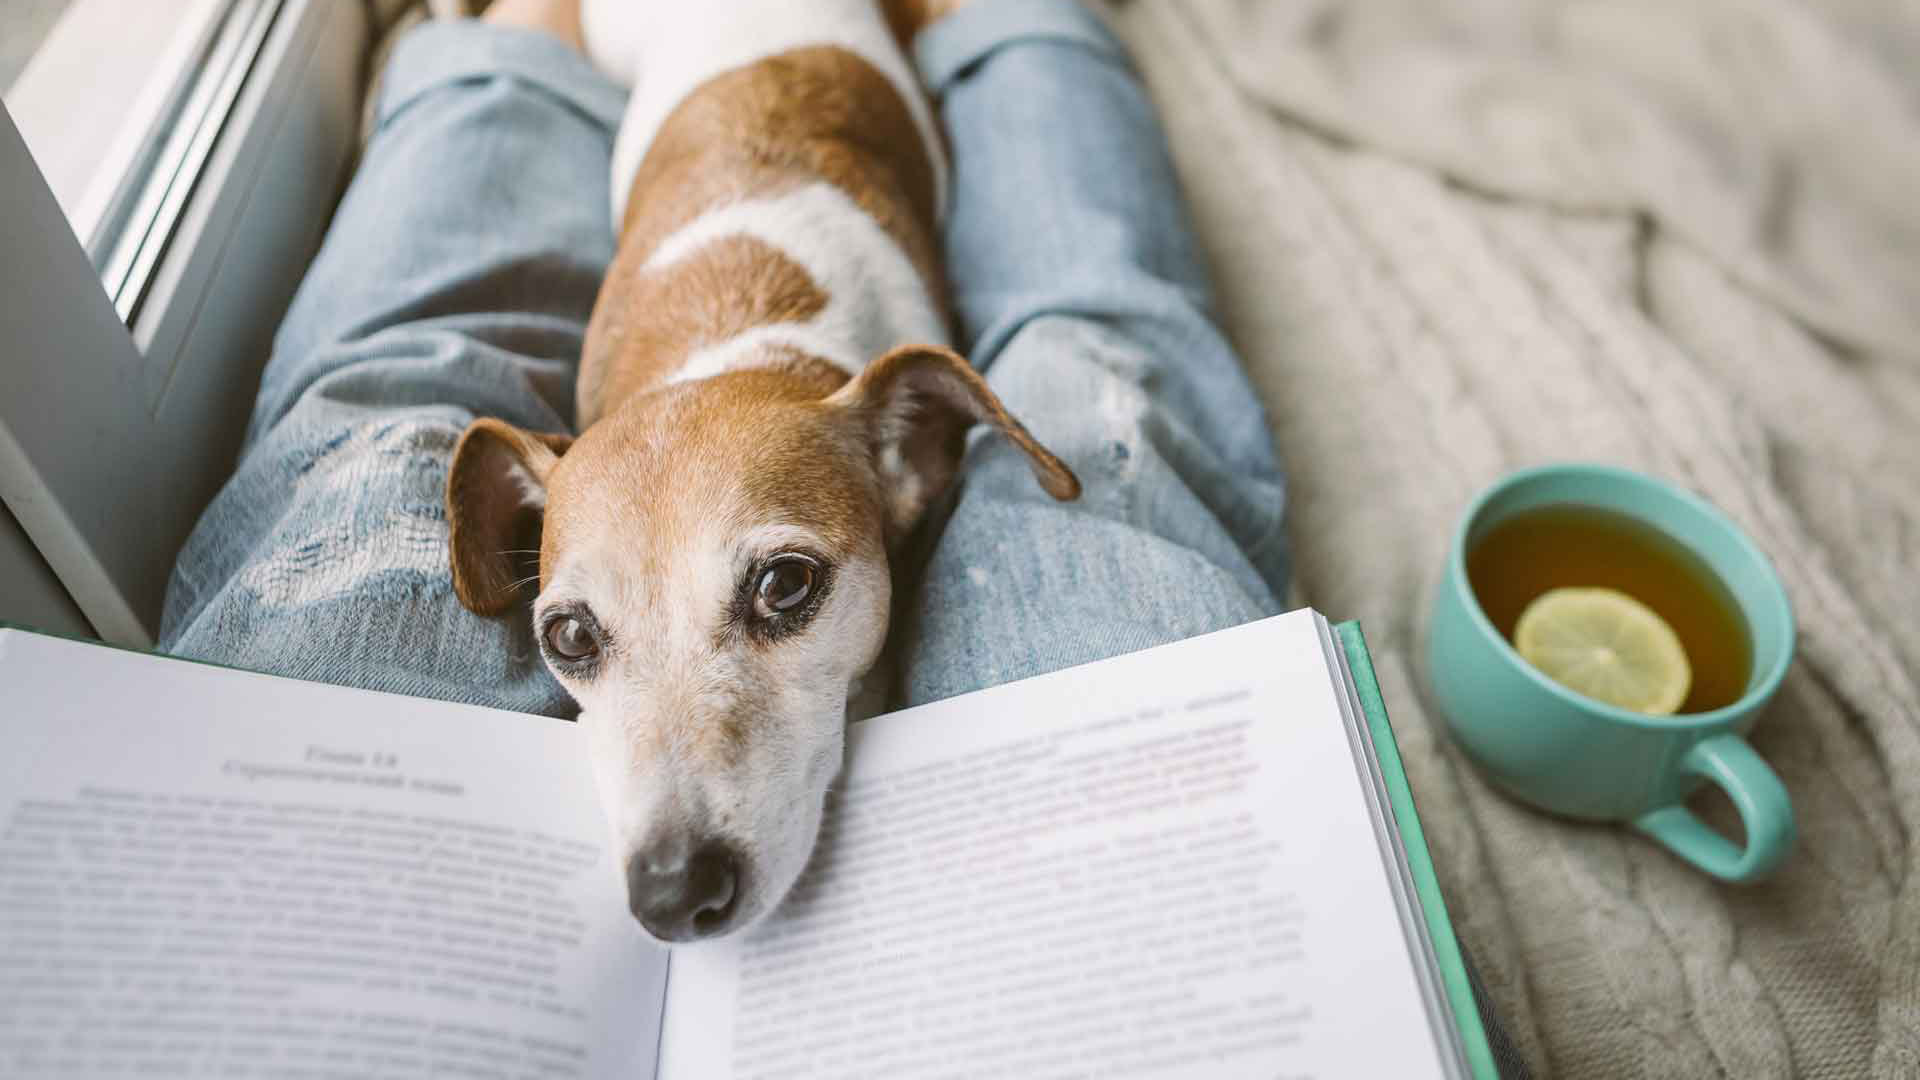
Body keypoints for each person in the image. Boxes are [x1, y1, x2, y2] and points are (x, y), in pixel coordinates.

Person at [160, 0, 1290, 719]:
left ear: (918, 443)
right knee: (1094, 338)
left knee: (396, 381)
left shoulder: (888, 415)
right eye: (574, 636)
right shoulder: (599, 415)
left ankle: (517, 36)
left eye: (783, 588)